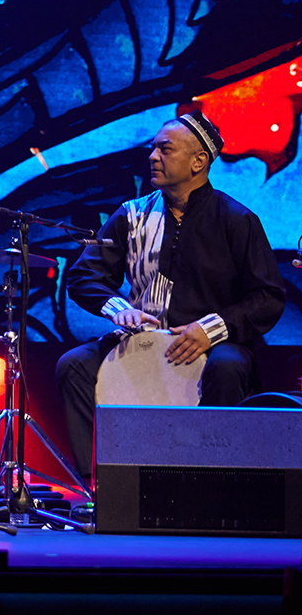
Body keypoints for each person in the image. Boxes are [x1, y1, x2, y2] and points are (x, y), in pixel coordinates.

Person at [57, 112, 283, 476]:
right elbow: (84, 275)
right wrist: (119, 309)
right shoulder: (131, 215)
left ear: (198, 161)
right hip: (140, 337)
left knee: (227, 368)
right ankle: (99, 481)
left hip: (213, 342)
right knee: (74, 365)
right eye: (153, 148)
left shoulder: (236, 220)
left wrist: (209, 330)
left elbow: (268, 296)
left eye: (165, 149)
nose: (153, 156)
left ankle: (212, 482)